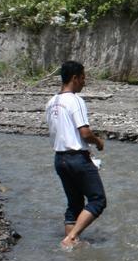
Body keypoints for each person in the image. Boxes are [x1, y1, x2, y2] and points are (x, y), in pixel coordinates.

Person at [45, 60, 106, 250]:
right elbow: (85, 133)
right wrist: (98, 142)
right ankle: (71, 238)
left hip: (59, 159)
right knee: (98, 200)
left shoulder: (51, 102)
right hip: (77, 158)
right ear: (74, 78)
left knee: (75, 203)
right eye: (83, 78)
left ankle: (71, 248)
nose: (84, 82)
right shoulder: (75, 100)